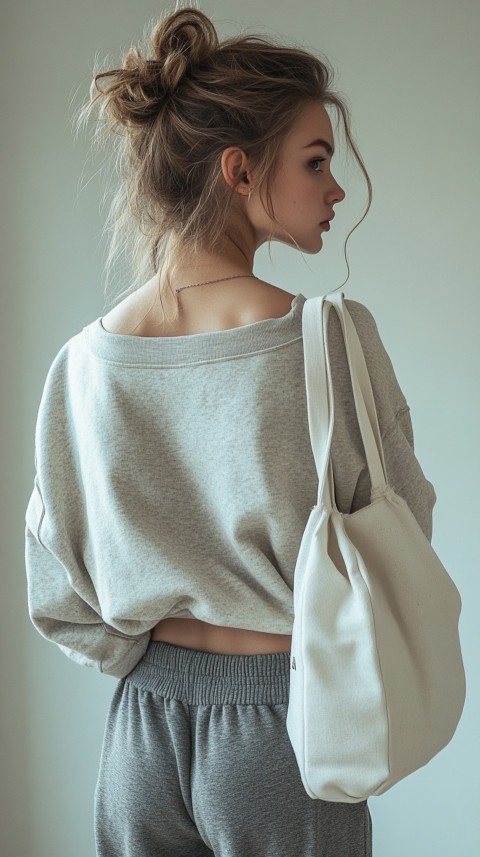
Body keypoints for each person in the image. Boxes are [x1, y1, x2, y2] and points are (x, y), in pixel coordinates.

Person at [24, 5, 437, 856]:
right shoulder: (327, 336)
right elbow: (405, 522)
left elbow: (57, 589)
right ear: (238, 170)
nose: (337, 189)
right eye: (316, 161)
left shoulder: (84, 362)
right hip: (289, 724)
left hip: (140, 729)